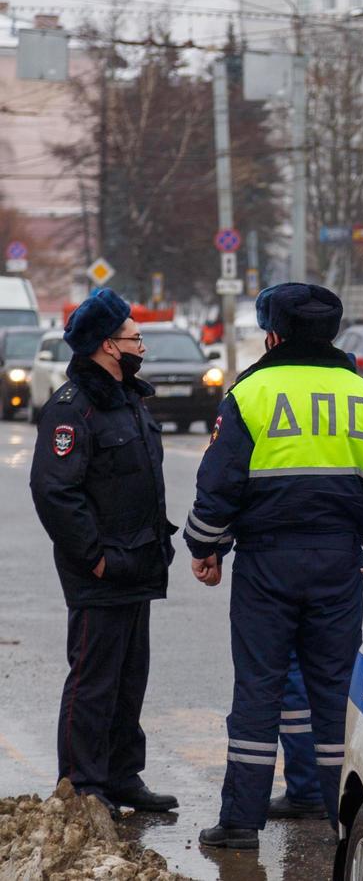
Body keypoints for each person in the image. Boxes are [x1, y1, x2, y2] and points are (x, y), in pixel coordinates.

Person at [187, 283, 363, 849]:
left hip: (266, 562)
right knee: (334, 688)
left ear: (273, 334)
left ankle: (240, 823)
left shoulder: (251, 394)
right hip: (340, 563)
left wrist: (204, 546)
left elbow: (220, 481)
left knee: (260, 687)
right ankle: (338, 810)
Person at [30, 288, 178, 817]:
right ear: (108, 346)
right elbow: (55, 491)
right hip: (101, 570)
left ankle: (121, 775)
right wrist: (94, 556)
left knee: (128, 677)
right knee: (94, 680)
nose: (141, 344)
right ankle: (82, 785)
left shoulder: (129, 400)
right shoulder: (75, 409)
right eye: (135, 337)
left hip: (136, 562)